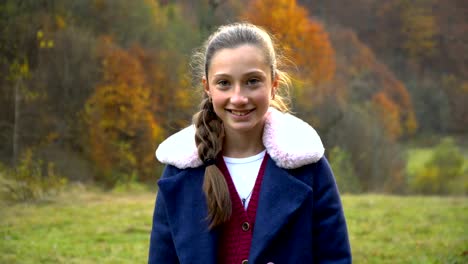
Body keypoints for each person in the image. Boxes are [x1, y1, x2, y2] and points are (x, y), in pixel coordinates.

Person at [148, 23, 351, 264]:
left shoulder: (309, 168)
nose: (239, 98)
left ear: (274, 85)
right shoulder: (178, 172)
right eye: (224, 83)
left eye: (252, 81)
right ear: (207, 88)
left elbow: (334, 259)